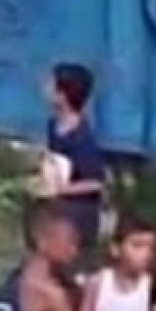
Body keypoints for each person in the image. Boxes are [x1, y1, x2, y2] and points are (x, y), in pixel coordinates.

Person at [46, 62, 107, 265]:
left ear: (63, 95)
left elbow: (96, 182)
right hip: (58, 210)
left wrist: (63, 189)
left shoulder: (82, 137)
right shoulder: (53, 125)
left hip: (79, 214)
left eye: (51, 85)